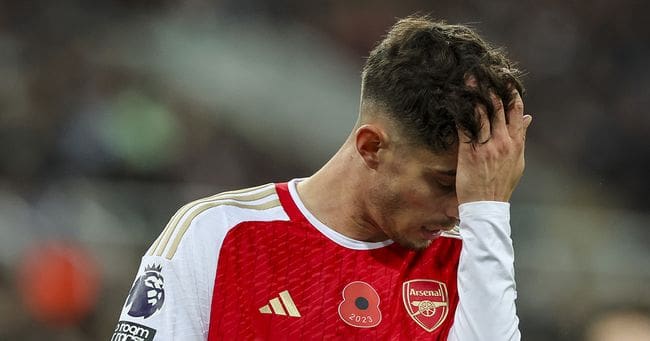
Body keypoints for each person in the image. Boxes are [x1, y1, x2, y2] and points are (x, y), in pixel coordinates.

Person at [112, 15, 532, 340]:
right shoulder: (219, 235)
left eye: (471, 191)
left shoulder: (470, 256)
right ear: (371, 147)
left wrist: (490, 209)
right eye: (444, 183)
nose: (457, 211)